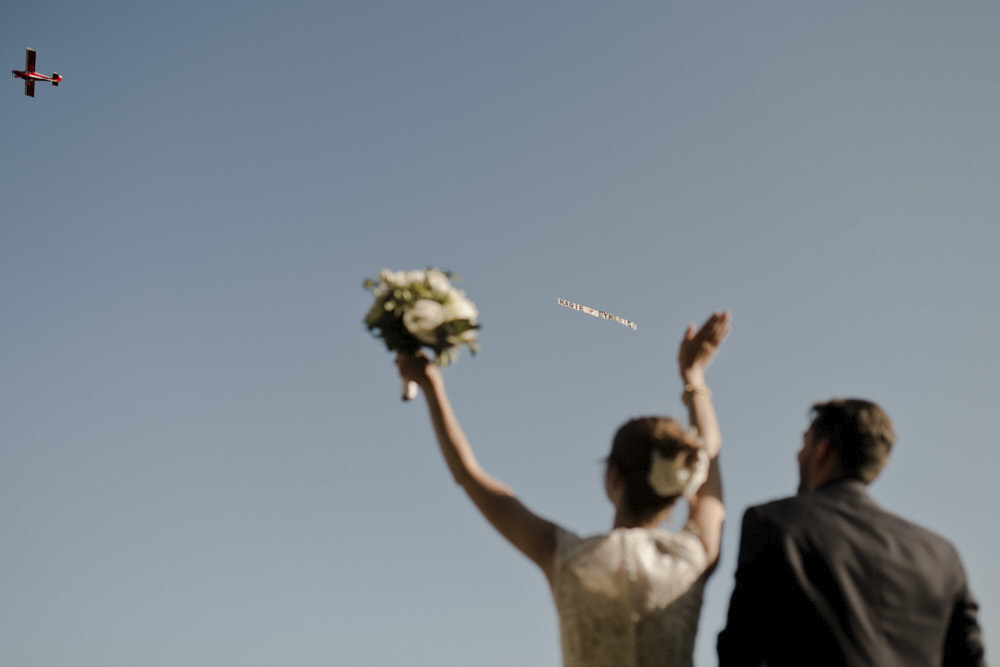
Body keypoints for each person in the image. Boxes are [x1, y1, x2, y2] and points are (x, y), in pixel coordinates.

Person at [395, 311, 731, 667]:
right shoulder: (694, 557)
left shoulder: (566, 557)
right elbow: (709, 462)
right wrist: (694, 378)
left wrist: (431, 385)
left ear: (612, 478)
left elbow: (468, 474)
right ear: (680, 484)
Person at [717, 399, 986, 667]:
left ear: (822, 451)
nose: (798, 455)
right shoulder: (941, 556)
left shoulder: (775, 524)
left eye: (805, 443)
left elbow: (740, 649)